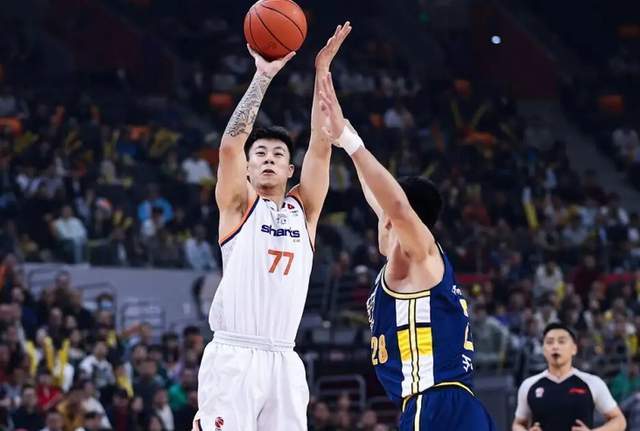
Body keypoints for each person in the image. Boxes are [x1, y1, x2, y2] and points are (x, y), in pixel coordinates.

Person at [193, 23, 352, 431]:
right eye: (260, 153)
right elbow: (230, 145)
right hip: (234, 355)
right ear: (247, 168)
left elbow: (321, 143)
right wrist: (262, 77)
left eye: (277, 154)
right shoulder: (238, 206)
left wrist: (323, 72)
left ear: (289, 170)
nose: (267, 158)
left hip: (284, 357)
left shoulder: (305, 210)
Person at [318, 72, 495, 430]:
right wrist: (344, 132)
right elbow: (380, 198)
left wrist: (351, 143)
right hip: (455, 402)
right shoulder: (413, 257)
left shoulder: (419, 252)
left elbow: (395, 206)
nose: (379, 218)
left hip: (435, 403)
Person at [512, 322, 626, 431]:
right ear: (544, 350)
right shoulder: (529, 385)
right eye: (549, 342)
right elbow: (518, 424)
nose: (555, 346)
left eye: (561, 342)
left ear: (574, 349)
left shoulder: (592, 382)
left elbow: (620, 421)